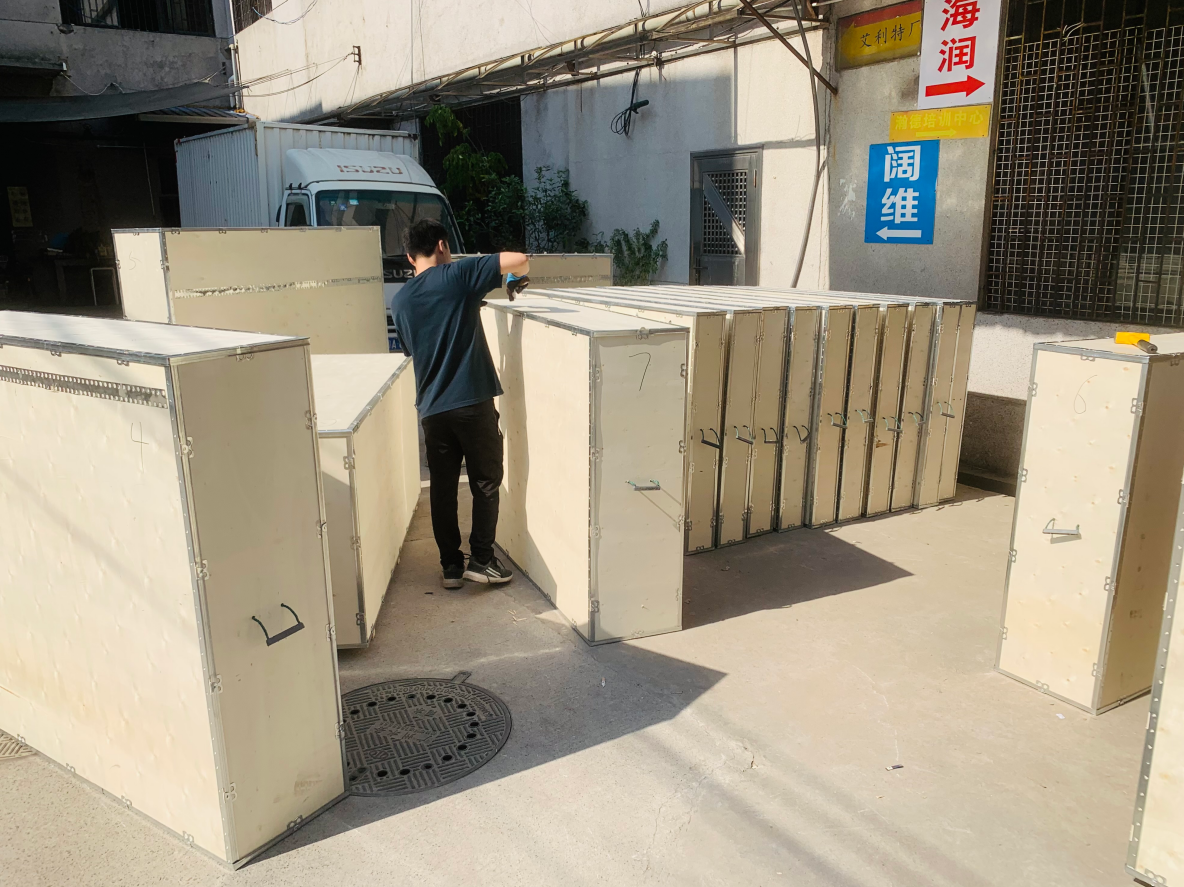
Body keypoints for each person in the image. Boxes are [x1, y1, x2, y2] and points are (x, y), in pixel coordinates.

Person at [391, 218, 529, 589]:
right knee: (485, 480)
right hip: (471, 400)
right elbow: (519, 259)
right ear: (442, 246)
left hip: (431, 408)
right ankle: (482, 559)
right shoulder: (458, 275)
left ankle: (451, 567)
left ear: (409, 257)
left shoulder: (400, 301)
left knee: (443, 488)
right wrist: (515, 277)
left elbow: (413, 349)